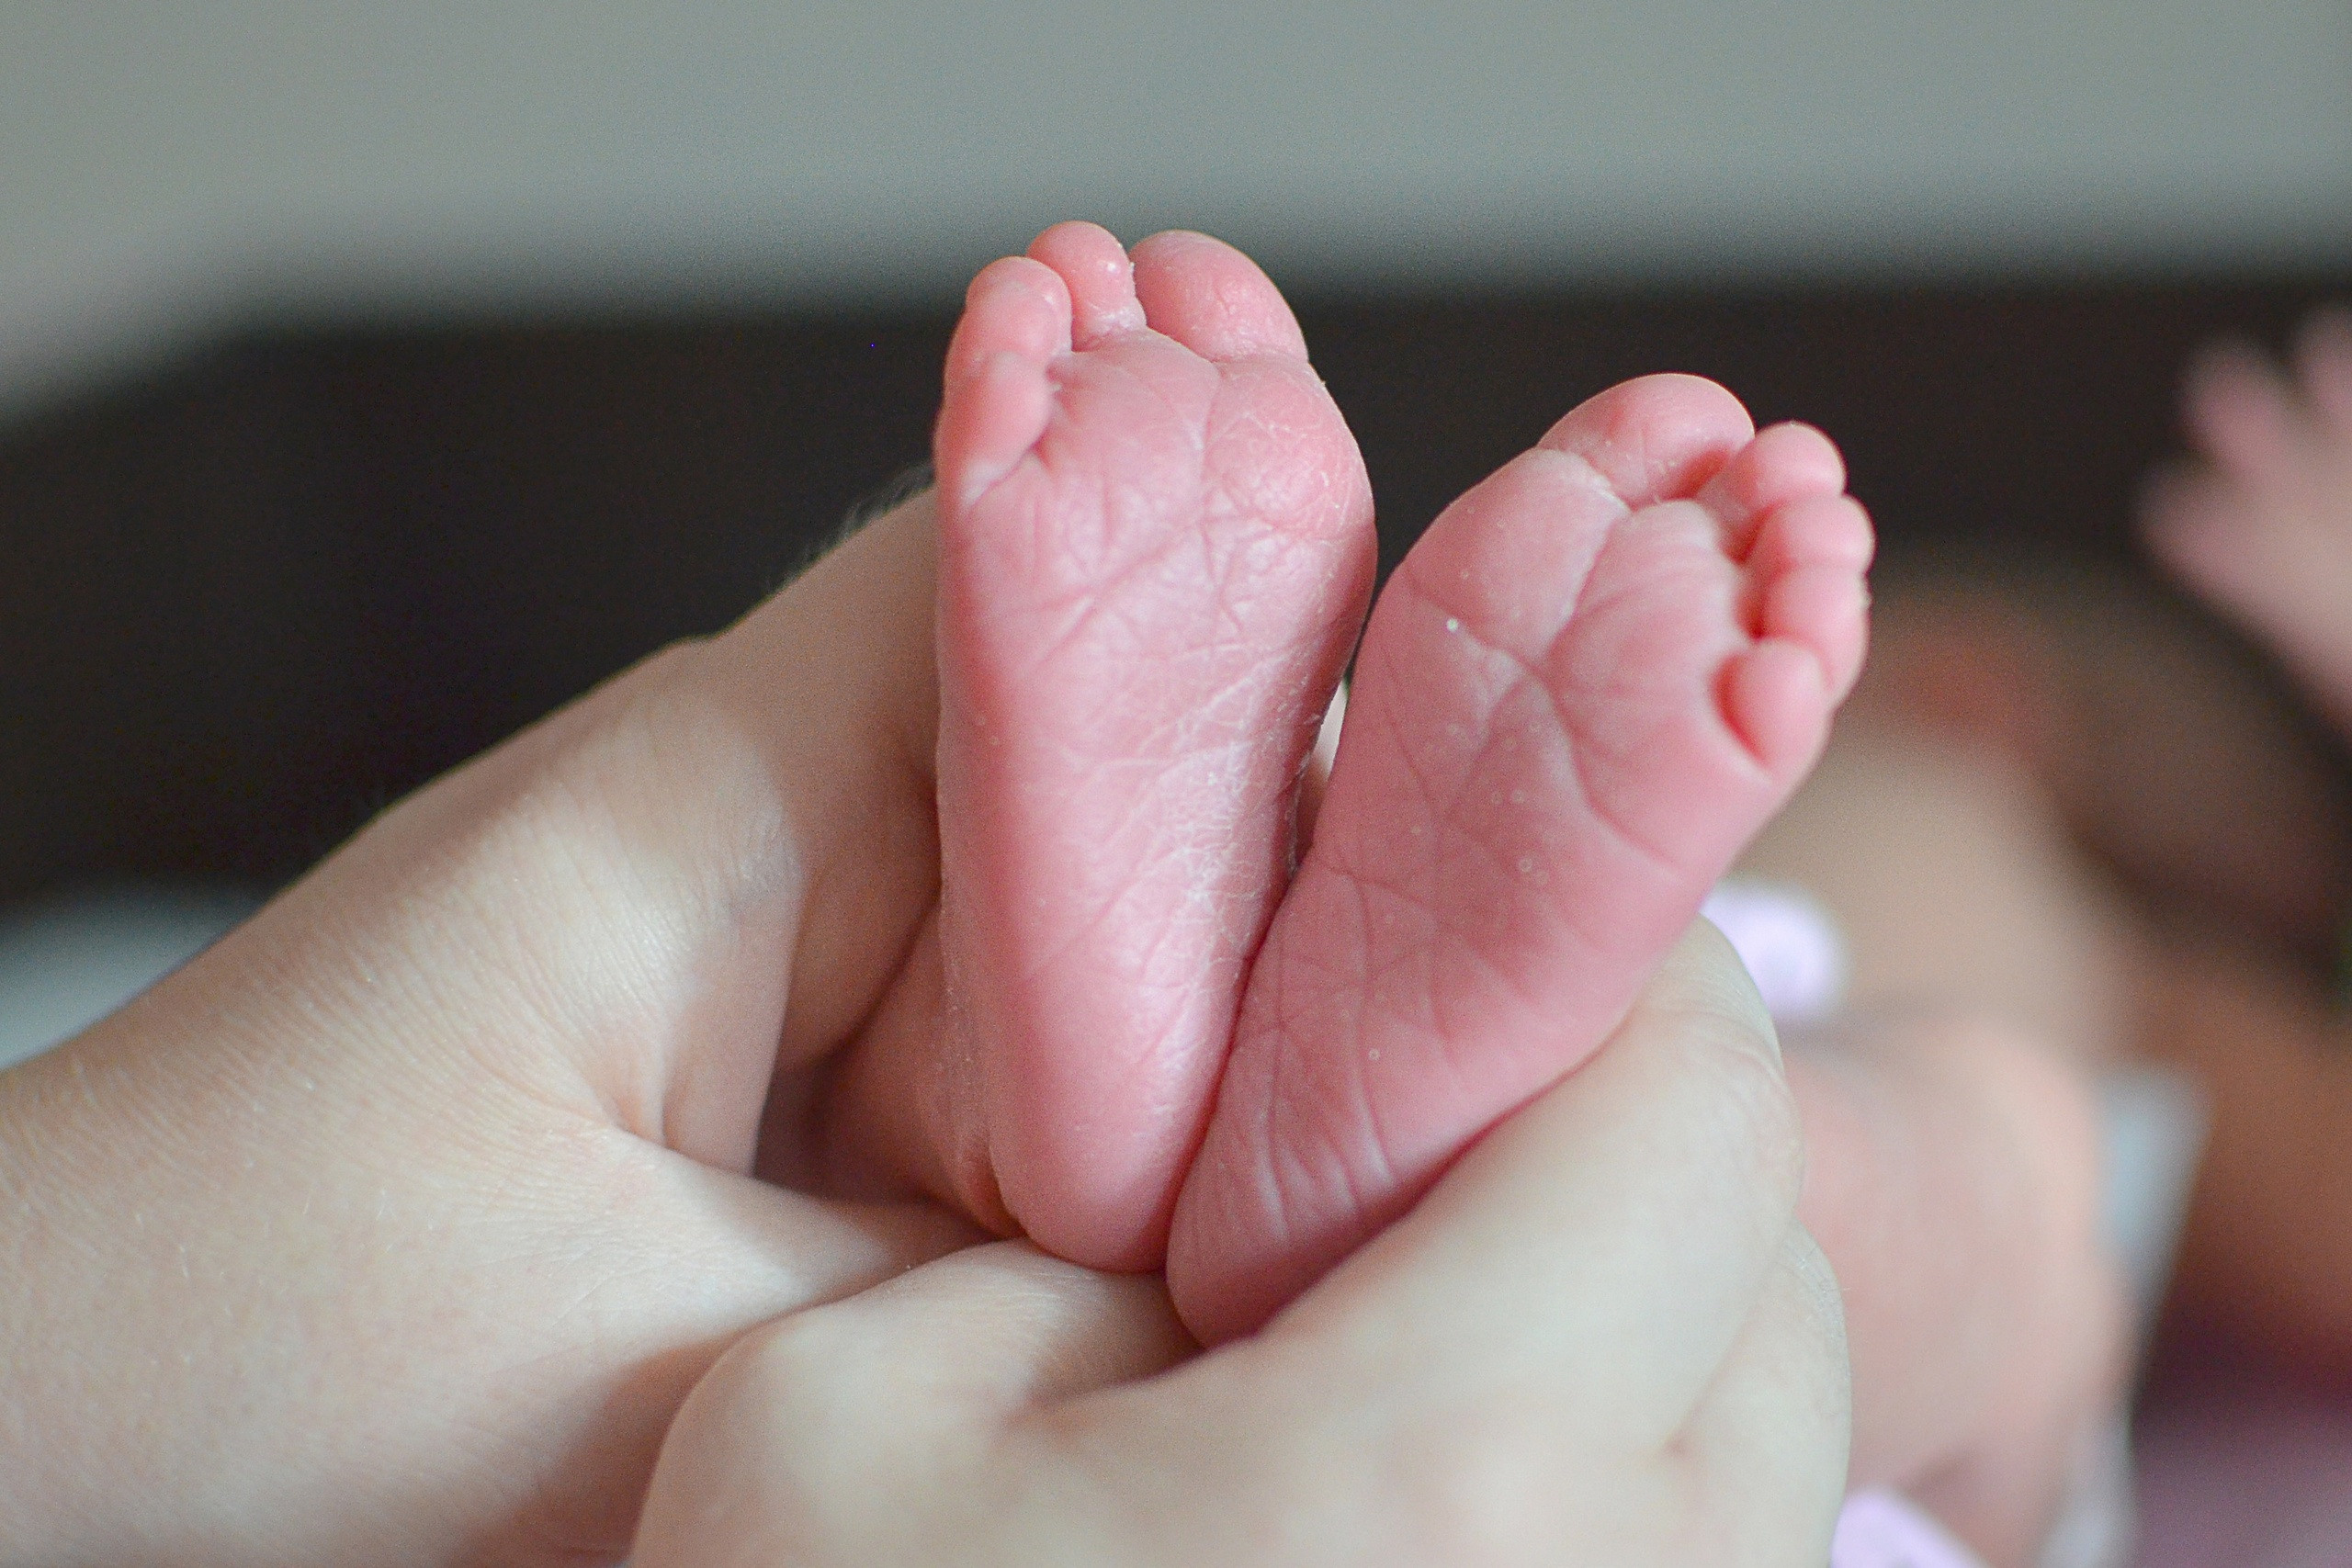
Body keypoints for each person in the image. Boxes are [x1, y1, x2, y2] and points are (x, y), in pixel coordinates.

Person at [0, 223, 2111, 1565]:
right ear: (1987, 696)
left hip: (928, 1446)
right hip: (1677, 1396)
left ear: (1974, 703)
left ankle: (1026, 1088)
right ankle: (1201, 1119)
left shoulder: (2045, 834)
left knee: (874, 1124)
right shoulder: (2058, 866)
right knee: (1982, 1175)